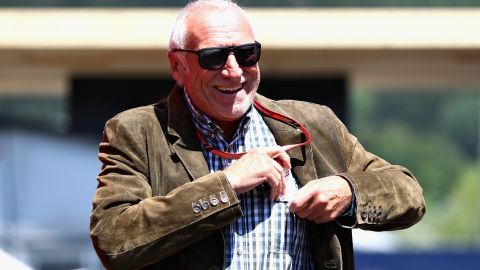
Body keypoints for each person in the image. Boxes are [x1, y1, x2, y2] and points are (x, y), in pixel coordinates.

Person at [89, 0, 426, 269]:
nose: (234, 70)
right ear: (178, 66)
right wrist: (228, 184)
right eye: (214, 57)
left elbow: (408, 194)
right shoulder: (137, 131)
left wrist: (348, 192)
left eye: (246, 53)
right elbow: (113, 241)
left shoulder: (315, 122)